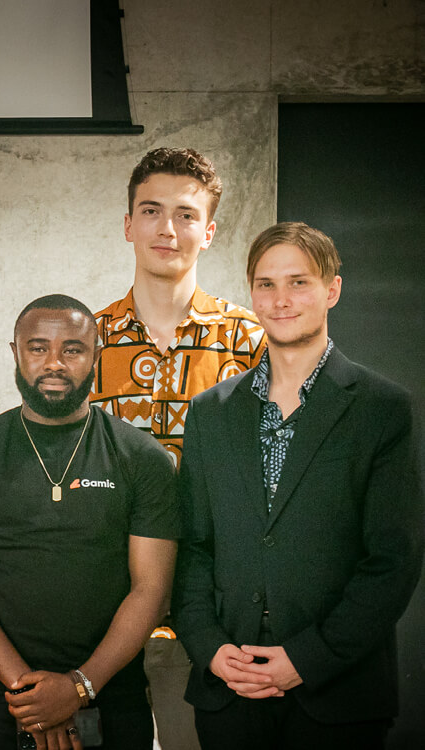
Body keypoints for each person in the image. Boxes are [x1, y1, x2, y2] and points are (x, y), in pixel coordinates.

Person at [172, 222, 423, 749]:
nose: (280, 300)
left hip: (337, 695)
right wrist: (209, 648)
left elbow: (392, 560)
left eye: (299, 282)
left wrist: (307, 659)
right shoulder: (210, 412)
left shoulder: (381, 409)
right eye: (266, 284)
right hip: (229, 689)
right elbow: (192, 548)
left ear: (332, 289)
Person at [0, 294, 179, 750]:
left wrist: (79, 687)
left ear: (96, 356)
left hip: (112, 695)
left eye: (73, 349)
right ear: (16, 353)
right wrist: (32, 695)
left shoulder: (143, 458)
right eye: (38, 348)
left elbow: (153, 589)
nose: (54, 363)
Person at [90, 147, 267, 750]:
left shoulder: (250, 341)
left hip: (212, 612)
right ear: (128, 224)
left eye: (186, 215)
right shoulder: (86, 341)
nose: (167, 228)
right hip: (104, 607)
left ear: (209, 232)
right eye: (151, 210)